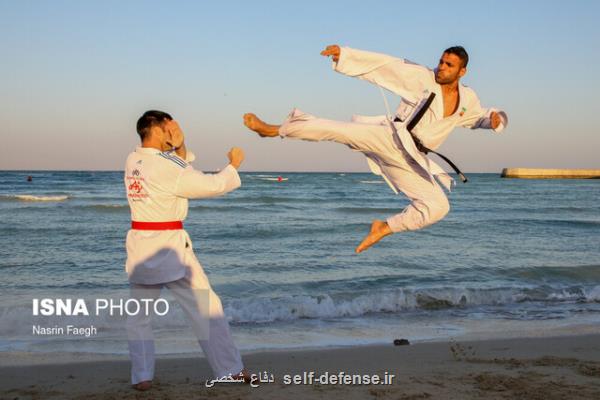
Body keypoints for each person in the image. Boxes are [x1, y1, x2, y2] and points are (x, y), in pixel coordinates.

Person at [243, 44, 508, 253]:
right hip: (390, 137)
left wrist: (496, 120)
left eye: (449, 65)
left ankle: (383, 227)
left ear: (462, 72)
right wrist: (345, 55)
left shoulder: (468, 98)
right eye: (441, 61)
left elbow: (479, 117)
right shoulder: (423, 78)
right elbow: (386, 66)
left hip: (412, 159)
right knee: (338, 131)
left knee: (438, 207)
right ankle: (275, 129)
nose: (441, 68)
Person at [124, 110, 248, 391]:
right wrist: (233, 165)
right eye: (171, 126)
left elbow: (176, 165)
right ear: (157, 129)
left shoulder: (133, 160)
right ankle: (229, 369)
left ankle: (141, 376)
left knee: (139, 316)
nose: (174, 131)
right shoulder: (166, 168)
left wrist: (180, 142)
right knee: (208, 308)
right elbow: (211, 185)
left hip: (140, 247)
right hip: (170, 248)